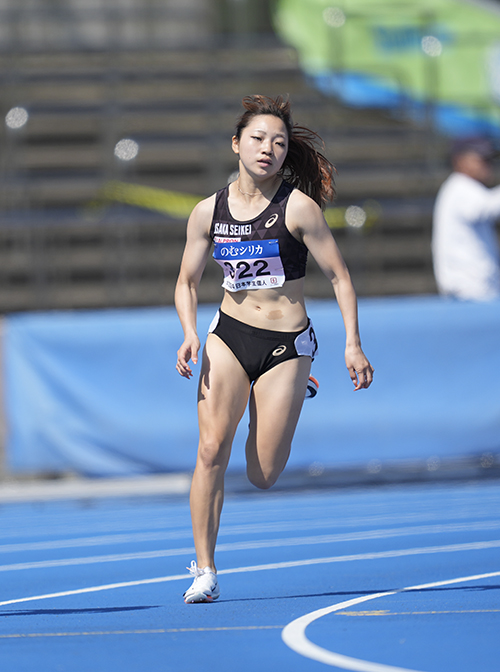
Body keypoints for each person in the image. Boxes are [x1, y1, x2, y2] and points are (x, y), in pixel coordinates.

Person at [175, 94, 374, 604]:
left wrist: (352, 344)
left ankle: (288, 391)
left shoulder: (298, 209)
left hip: (286, 344)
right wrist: (190, 332)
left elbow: (340, 276)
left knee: (263, 474)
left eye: (279, 143)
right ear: (237, 144)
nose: (268, 149)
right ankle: (204, 569)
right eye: (259, 139)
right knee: (210, 448)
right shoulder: (207, 212)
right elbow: (186, 282)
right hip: (228, 336)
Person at [432, 137, 500, 301]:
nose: (488, 165)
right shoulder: (459, 186)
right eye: (482, 159)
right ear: (460, 160)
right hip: (466, 291)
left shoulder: (470, 188)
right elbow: (487, 208)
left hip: (478, 289)